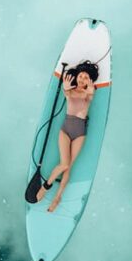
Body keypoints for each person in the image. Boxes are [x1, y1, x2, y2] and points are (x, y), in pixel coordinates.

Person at [35, 61, 98, 212]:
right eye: (81, 76)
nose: (82, 79)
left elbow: (90, 96)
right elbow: (66, 92)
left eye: (85, 78)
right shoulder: (70, 91)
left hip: (79, 134)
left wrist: (90, 90)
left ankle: (58, 197)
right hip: (65, 130)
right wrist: (65, 86)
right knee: (64, 164)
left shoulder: (88, 94)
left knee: (68, 167)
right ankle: (47, 186)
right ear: (77, 77)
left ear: (89, 81)